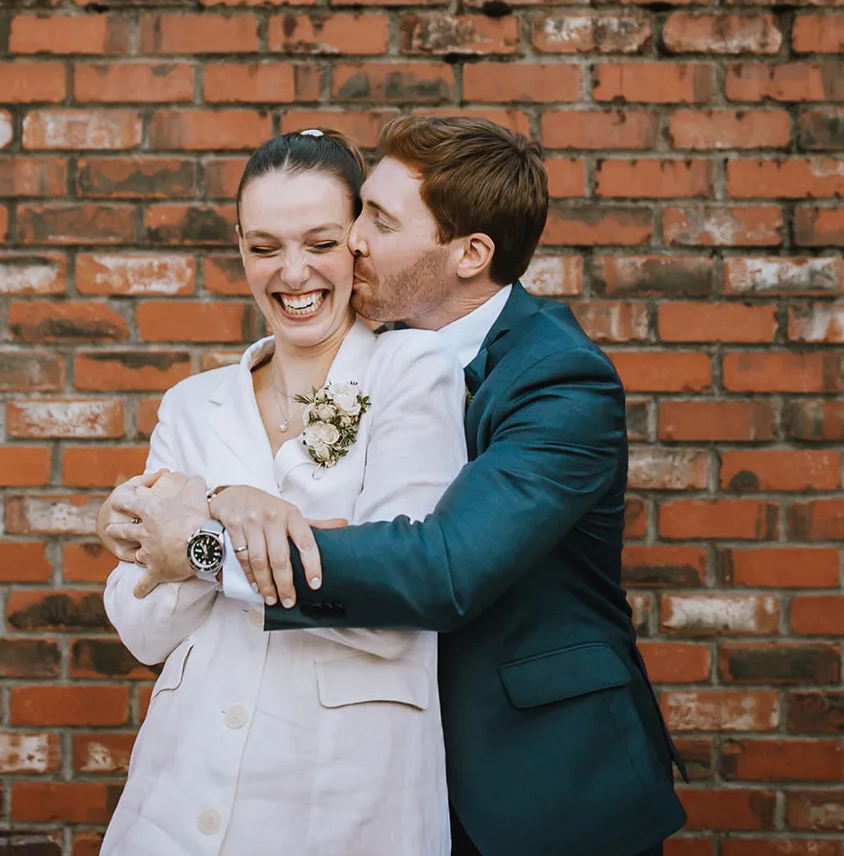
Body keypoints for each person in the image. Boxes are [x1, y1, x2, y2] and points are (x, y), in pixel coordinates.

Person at [103, 115, 688, 856]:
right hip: (357, 759)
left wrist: (204, 542)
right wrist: (160, 519)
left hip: (538, 776)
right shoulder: (251, 387)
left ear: (471, 253)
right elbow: (141, 602)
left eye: (375, 221)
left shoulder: (556, 379)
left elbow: (440, 568)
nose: (351, 242)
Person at [97, 128, 462, 856]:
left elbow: (393, 605)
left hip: (344, 800)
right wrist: (224, 499)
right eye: (265, 247)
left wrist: (199, 539)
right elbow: (142, 627)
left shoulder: (414, 371)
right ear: (239, 248)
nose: (293, 274)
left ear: (357, 238)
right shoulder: (192, 403)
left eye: (318, 242)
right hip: (179, 796)